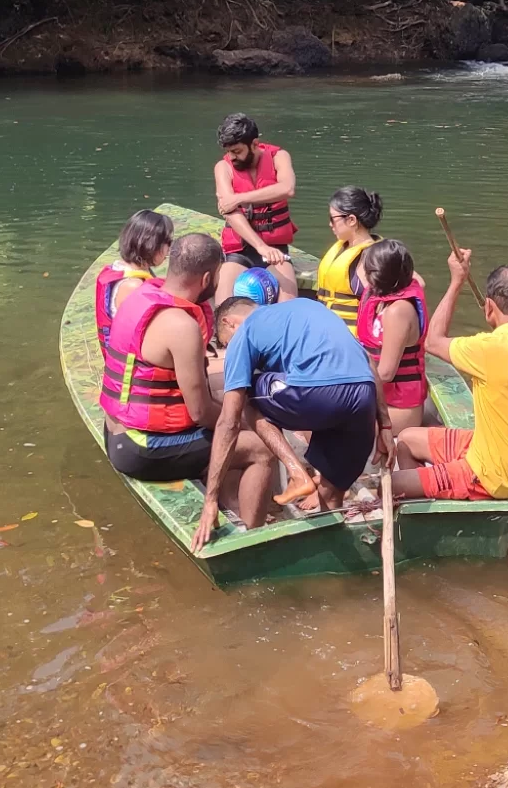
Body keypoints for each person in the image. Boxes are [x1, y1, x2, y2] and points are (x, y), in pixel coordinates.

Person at [98, 230, 276, 527]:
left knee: (224, 419)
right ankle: (255, 534)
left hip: (115, 430)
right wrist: (249, 423)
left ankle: (230, 500)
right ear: (207, 279)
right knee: (260, 446)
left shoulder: (137, 293)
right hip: (141, 449)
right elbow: (201, 413)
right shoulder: (181, 326)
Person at [191, 295, 386, 548]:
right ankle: (329, 552)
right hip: (364, 397)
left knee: (248, 397)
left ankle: (297, 475)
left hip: (320, 393)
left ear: (230, 323)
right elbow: (368, 361)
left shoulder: (245, 331)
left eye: (227, 343)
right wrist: (386, 426)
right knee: (331, 491)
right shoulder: (308, 307)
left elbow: (229, 422)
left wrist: (210, 501)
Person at [390, 249, 508, 503]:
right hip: (491, 451)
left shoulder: (489, 349)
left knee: (391, 483)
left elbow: (433, 342)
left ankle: (424, 497)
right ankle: (427, 492)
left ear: (488, 306)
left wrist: (457, 281)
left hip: (492, 476)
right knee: (406, 438)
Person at [213, 113, 298, 302]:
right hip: (240, 251)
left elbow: (287, 188)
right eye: (229, 152)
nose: (231, 157)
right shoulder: (223, 167)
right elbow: (229, 210)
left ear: (254, 144)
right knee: (223, 304)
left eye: (236, 151)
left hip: (276, 248)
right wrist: (260, 247)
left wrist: (239, 198)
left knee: (289, 303)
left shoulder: (279, 157)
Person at [356, 238, 429, 430]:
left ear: (377, 274)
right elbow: (419, 280)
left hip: (398, 408)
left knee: (326, 423)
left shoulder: (398, 312)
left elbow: (386, 373)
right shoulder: (379, 296)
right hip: (381, 398)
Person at [94, 209, 174, 351]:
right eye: (168, 242)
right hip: (129, 365)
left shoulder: (117, 269)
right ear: (152, 245)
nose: (169, 248)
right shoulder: (133, 285)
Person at [316, 186, 383, 332]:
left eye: (332, 219)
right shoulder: (343, 246)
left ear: (351, 220)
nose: (330, 224)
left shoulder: (371, 255)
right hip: (328, 331)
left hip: (351, 339)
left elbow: (416, 283)